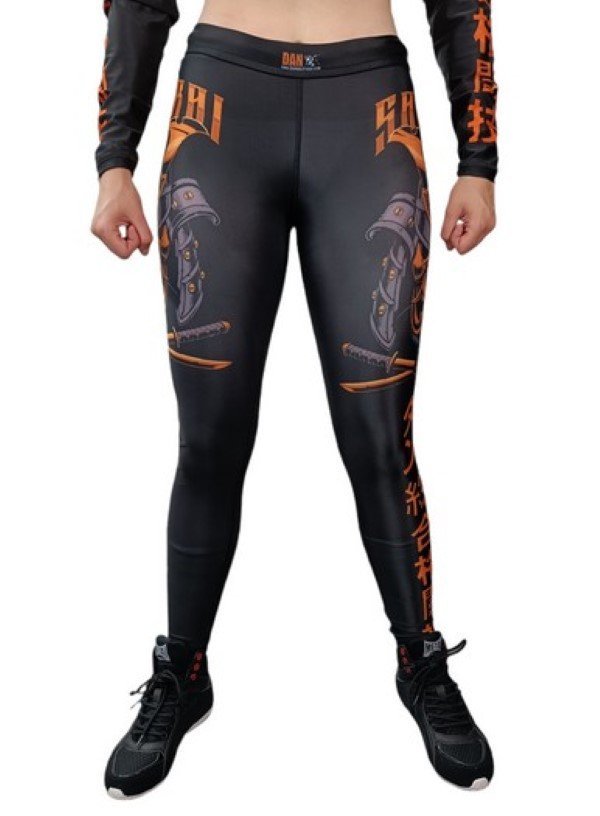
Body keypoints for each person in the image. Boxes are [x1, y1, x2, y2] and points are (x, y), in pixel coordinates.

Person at [92, 0, 498, 798]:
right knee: (210, 436)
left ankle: (419, 659)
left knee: (379, 434)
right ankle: (183, 671)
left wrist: (479, 160)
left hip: (368, 111)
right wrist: (114, 159)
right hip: (223, 110)